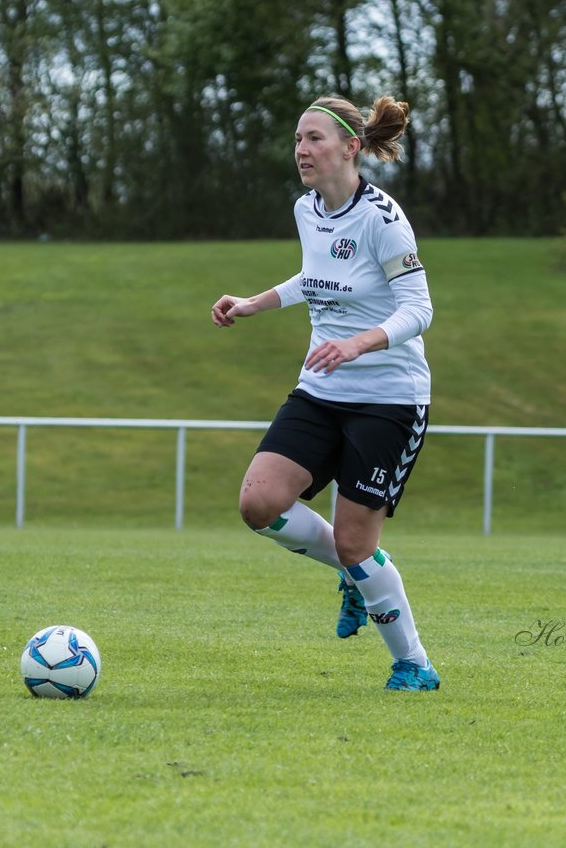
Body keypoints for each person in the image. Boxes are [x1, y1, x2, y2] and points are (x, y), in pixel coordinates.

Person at [210, 95, 439, 691]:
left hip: (389, 398)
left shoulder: (384, 219)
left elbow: (420, 308)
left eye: (313, 139)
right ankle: (354, 575)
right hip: (321, 389)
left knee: (357, 544)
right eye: (297, 140)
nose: (301, 151)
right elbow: (315, 277)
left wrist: (360, 343)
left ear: (351, 147)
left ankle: (413, 663)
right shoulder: (307, 208)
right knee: (260, 503)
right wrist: (254, 302)